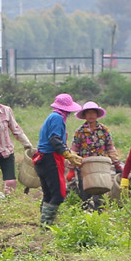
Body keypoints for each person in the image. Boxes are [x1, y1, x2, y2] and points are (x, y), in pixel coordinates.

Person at [32, 93, 82, 227]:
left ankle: (44, 225)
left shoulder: (52, 117)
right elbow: (54, 139)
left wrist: (69, 152)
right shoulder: (57, 118)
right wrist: (67, 154)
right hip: (50, 159)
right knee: (59, 194)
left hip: (42, 158)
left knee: (49, 194)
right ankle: (47, 224)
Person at [69, 102, 116, 212]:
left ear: (97, 115)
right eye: (88, 113)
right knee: (85, 194)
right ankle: (86, 218)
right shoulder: (80, 131)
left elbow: (110, 147)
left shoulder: (104, 130)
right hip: (85, 167)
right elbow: (74, 150)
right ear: (85, 116)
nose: (91, 115)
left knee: (99, 194)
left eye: (93, 113)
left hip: (101, 167)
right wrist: (71, 168)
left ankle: (99, 217)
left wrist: (117, 163)